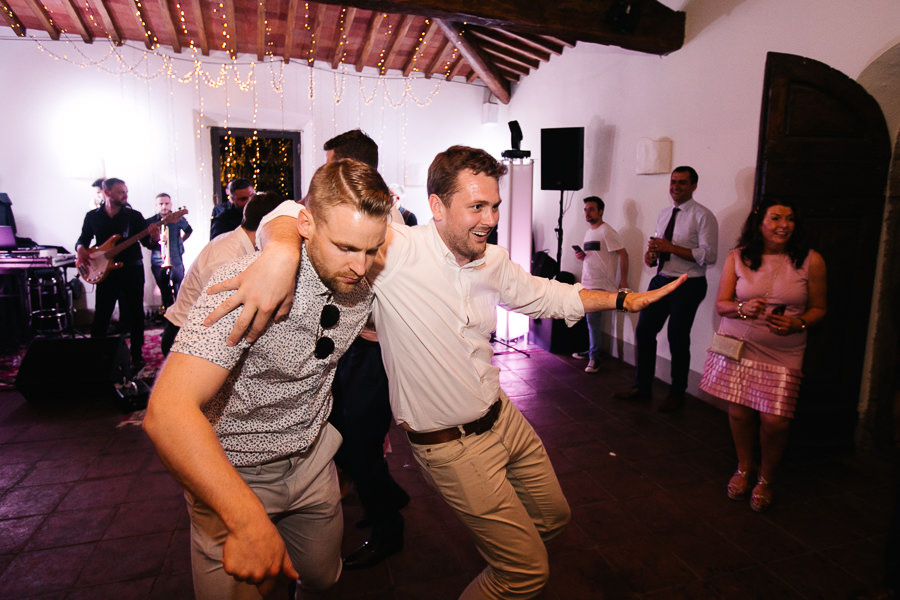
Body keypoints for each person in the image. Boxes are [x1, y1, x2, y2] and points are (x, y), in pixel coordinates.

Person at [205, 146, 686, 599]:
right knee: (526, 572)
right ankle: (508, 561)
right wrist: (280, 252)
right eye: (477, 207)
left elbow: (548, 295)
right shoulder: (393, 252)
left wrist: (623, 300)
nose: (491, 220)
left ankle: (508, 546)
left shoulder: (493, 260)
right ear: (436, 205)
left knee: (555, 518)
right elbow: (287, 211)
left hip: (505, 419)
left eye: (495, 206)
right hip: (449, 443)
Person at [142, 159, 394, 599]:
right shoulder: (246, 285)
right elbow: (166, 413)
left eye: (371, 250)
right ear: (306, 224)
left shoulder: (363, 282)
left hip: (314, 464)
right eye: (346, 247)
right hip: (233, 471)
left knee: (322, 578)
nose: (360, 266)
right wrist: (245, 519)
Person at [313, 129, 410, 570]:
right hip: (357, 345)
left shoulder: (389, 222)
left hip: (377, 348)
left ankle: (389, 525)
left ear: (352, 167)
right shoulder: (358, 210)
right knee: (347, 433)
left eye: (332, 164)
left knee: (357, 441)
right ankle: (385, 498)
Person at [699, 198, 826, 512]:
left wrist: (797, 322)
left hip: (784, 351)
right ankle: (744, 468)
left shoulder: (811, 260)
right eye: (776, 218)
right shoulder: (739, 257)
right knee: (740, 413)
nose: (784, 225)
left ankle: (767, 477)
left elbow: (819, 309)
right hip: (740, 345)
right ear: (760, 223)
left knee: (776, 421)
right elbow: (721, 304)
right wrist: (743, 308)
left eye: (790, 219)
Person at [615, 166, 718, 412]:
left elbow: (709, 256)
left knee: (677, 337)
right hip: (661, 279)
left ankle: (677, 393)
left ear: (694, 186)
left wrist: (670, 248)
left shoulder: (703, 215)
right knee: (644, 331)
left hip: (688, 282)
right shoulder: (664, 213)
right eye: (673, 182)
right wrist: (651, 257)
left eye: (682, 183)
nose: (675, 187)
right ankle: (642, 387)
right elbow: (660, 246)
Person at [159, 191, 281, 356]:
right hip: (187, 340)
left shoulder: (237, 242)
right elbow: (224, 319)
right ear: (269, 224)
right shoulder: (227, 256)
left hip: (200, 334)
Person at [75, 177, 160, 371]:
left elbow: (148, 244)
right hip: (106, 273)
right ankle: (96, 355)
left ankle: (137, 356)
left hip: (132, 269)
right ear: (107, 193)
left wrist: (154, 237)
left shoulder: (134, 216)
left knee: (136, 313)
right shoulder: (92, 217)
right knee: (102, 314)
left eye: (126, 191)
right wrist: (80, 248)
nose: (125, 195)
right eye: (121, 192)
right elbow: (83, 238)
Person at [572, 196, 628, 373]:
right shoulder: (589, 232)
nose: (587, 213)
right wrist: (581, 256)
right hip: (588, 282)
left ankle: (595, 358)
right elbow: (593, 257)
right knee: (590, 321)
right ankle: (591, 351)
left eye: (591, 209)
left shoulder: (607, 231)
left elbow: (623, 254)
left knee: (593, 321)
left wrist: (623, 280)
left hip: (601, 284)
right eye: (586, 210)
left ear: (601, 211)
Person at [147, 193, 192, 311]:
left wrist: (180, 242)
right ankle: (167, 318)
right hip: (158, 261)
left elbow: (188, 231)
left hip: (175, 259)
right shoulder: (151, 222)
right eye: (160, 204)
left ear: (171, 204)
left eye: (166, 203)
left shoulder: (178, 219)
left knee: (179, 290)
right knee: (164, 291)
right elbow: (147, 243)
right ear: (156, 206)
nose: (164, 206)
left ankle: (179, 317)